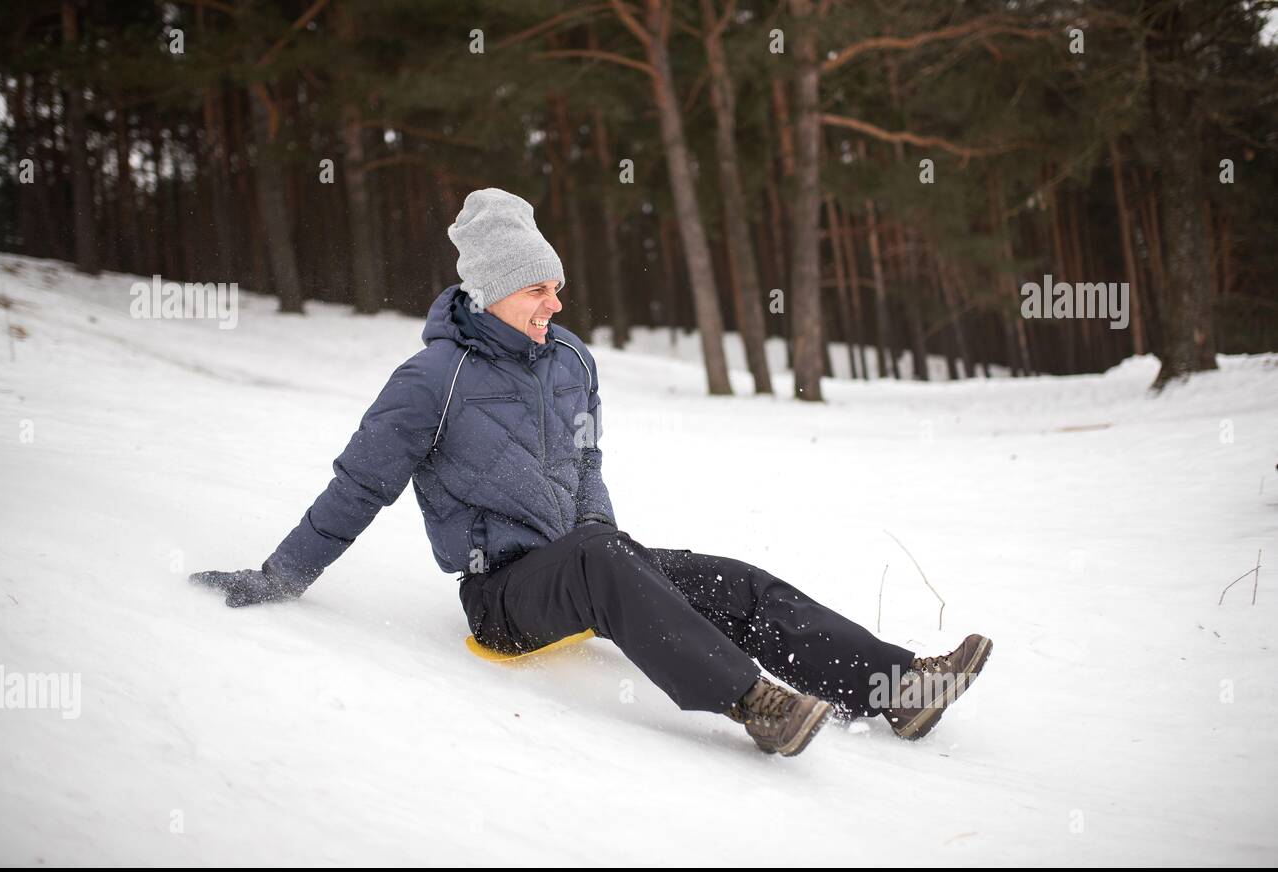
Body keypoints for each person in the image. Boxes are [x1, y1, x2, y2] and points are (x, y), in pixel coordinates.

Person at [190, 187, 992, 758]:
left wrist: (600, 525)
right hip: (502, 596)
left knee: (731, 580)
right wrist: (280, 575)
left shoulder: (570, 360)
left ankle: (897, 688)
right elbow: (357, 486)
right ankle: (755, 702)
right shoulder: (431, 382)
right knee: (602, 556)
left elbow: (588, 459)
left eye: (557, 285)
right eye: (539, 288)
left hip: (586, 558)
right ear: (493, 290)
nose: (556, 303)